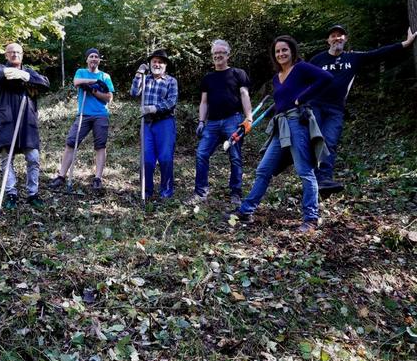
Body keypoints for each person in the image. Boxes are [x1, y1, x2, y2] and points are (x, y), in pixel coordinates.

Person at [233, 35, 333, 233]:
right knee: (263, 169)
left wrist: (302, 98)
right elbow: (281, 101)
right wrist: (271, 111)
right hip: (281, 125)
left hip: (297, 122)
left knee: (305, 170)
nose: (281, 54)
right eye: (277, 51)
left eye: (284, 50)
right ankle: (246, 211)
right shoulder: (276, 78)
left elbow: (326, 78)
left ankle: (311, 219)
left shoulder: (301, 68)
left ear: (292, 51)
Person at [309, 25, 417, 195]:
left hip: (336, 109)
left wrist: (406, 43)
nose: (337, 38)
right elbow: (301, 78)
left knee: (329, 140)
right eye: (333, 36)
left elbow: (378, 53)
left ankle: (324, 180)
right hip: (314, 105)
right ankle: (310, 177)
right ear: (328, 40)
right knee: (315, 140)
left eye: (341, 36)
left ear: (346, 39)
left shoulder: (353, 58)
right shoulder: (317, 60)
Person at [188, 39, 253, 207]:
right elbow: (204, 102)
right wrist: (201, 121)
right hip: (212, 124)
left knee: (235, 157)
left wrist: (249, 118)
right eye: (215, 53)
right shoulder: (208, 78)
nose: (217, 56)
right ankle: (200, 192)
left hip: (234, 119)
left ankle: (236, 193)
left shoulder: (238, 73)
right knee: (202, 154)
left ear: (228, 55)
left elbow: (244, 95)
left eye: (221, 53)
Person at [49, 48, 115, 191]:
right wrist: (93, 81)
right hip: (83, 114)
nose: (94, 59)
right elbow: (76, 82)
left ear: (99, 60)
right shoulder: (81, 72)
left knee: (100, 146)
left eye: (96, 57)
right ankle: (61, 176)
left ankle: (98, 178)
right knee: (71, 142)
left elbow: (109, 98)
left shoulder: (105, 76)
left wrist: (94, 90)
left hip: (101, 115)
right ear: (87, 59)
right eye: (91, 56)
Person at [0, 42, 50, 210]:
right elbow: (3, 75)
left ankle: (33, 193)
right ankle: (11, 193)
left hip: (27, 122)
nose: (15, 55)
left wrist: (26, 77)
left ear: (22, 54)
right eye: (11, 52)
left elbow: (45, 83)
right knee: (7, 160)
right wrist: (21, 76)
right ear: (6, 55)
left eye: (18, 52)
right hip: (8, 121)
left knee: (33, 159)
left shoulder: (29, 72)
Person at [130, 49, 178, 199]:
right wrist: (139, 73)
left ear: (165, 65)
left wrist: (154, 108)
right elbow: (133, 92)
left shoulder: (171, 81)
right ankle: (146, 192)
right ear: (150, 64)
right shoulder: (146, 79)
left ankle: (166, 193)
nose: (157, 64)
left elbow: (171, 102)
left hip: (165, 122)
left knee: (165, 158)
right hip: (147, 124)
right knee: (147, 159)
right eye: (154, 62)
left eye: (160, 62)